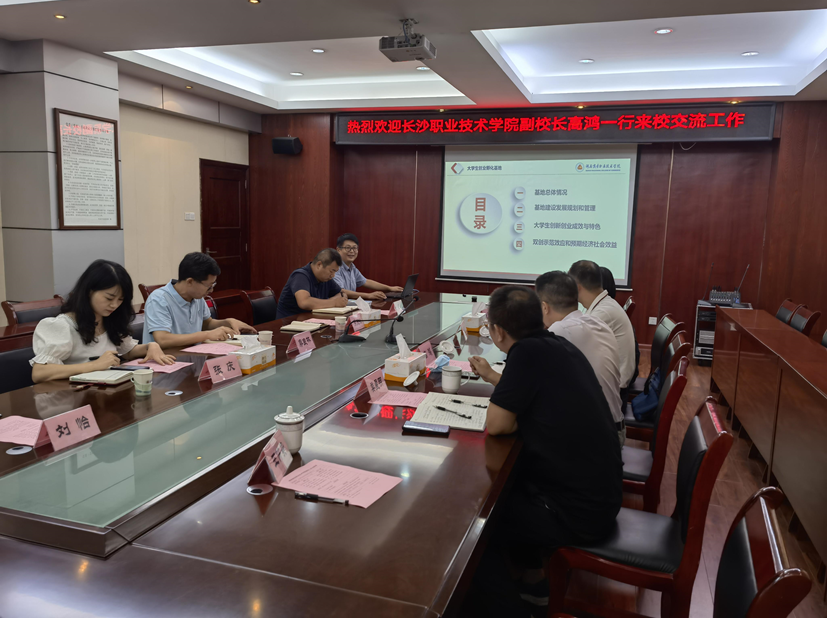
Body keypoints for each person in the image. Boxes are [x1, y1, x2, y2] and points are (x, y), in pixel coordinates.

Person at [467, 286, 623, 615]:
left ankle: (508, 608)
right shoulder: (557, 345)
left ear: (497, 331)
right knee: (511, 488)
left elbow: (497, 424)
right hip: (600, 496)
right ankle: (533, 581)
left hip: (578, 515)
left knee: (475, 524)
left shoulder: (526, 354)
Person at [30, 259, 176, 383]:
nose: (114, 305)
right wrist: (95, 365)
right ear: (89, 291)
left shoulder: (109, 320)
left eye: (120, 300)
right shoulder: (62, 326)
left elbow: (127, 351)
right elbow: (39, 372)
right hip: (73, 398)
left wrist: (150, 346)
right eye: (109, 298)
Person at [536, 271, 625, 446]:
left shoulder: (561, 331)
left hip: (599, 440)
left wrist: (491, 375)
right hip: (615, 429)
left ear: (544, 307)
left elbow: (530, 384)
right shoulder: (596, 322)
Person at [143, 252, 255, 347]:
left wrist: (228, 322)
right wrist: (207, 335)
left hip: (194, 358)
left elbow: (206, 323)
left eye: (213, 285)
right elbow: (162, 339)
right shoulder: (159, 299)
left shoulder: (197, 297)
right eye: (208, 286)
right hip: (167, 361)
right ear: (190, 282)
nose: (211, 290)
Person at [569, 260, 636, 392]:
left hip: (614, 389)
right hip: (611, 381)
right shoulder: (603, 304)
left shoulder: (603, 312)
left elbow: (573, 348)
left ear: (577, 287)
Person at [276, 248, 349, 319]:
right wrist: (334, 302)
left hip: (312, 321)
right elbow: (304, 302)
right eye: (331, 271)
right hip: (289, 323)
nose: (333, 275)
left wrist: (340, 299)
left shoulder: (326, 279)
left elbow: (341, 293)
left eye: (335, 272)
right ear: (319, 265)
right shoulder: (300, 276)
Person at [333, 233, 403, 301]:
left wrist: (390, 288)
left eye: (354, 248)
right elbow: (341, 291)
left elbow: (365, 282)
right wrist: (368, 295)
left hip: (348, 305)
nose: (352, 251)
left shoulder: (352, 267)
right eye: (348, 248)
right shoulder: (335, 267)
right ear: (338, 250)